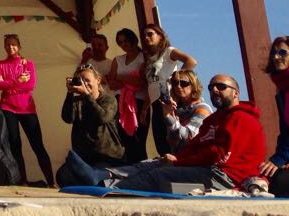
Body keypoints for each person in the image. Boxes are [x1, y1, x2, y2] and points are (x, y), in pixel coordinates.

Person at [66, 74, 268, 194]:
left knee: (159, 177)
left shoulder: (239, 118)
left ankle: (105, 187)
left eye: (221, 86)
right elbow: (191, 146)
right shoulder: (213, 120)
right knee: (149, 164)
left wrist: (178, 161)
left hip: (222, 177)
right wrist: (176, 157)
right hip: (201, 167)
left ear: (236, 92)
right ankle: (99, 177)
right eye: (212, 86)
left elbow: (216, 153)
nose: (215, 89)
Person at [0, 34, 54, 186]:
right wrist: (17, 81)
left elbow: (30, 85)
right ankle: (22, 181)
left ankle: (51, 182)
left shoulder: (28, 64)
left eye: (13, 44)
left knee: (37, 144)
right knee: (15, 145)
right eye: (7, 44)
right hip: (8, 108)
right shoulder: (0, 64)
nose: (10, 47)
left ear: (19, 46)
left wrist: (9, 86)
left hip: (26, 108)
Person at [56, 64, 123, 187]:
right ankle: (90, 180)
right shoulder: (78, 102)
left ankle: (101, 178)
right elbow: (67, 118)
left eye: (87, 80)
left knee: (93, 177)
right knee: (62, 176)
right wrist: (70, 93)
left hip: (106, 157)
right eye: (80, 81)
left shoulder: (109, 99)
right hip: (84, 158)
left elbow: (102, 117)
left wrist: (87, 96)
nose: (84, 84)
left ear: (98, 81)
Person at [141, 24, 197, 156]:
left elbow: (192, 61)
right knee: (159, 137)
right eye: (144, 36)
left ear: (160, 36)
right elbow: (152, 84)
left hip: (168, 98)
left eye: (150, 34)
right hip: (155, 101)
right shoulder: (148, 59)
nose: (146, 37)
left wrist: (175, 79)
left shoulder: (169, 51)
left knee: (169, 136)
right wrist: (144, 108)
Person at [108, 27, 148, 162]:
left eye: (126, 41)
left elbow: (141, 82)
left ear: (133, 40)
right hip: (120, 102)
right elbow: (112, 84)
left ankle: (143, 172)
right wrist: (129, 79)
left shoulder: (144, 57)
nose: (123, 45)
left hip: (139, 102)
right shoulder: (117, 59)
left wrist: (120, 77)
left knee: (139, 139)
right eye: (120, 42)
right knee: (124, 139)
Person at [260, 35, 289, 197]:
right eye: (274, 53)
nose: (276, 57)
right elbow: (286, 134)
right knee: (266, 175)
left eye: (283, 52)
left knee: (281, 182)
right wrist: (278, 160)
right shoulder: (282, 90)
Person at [160, 69, 211, 152]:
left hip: (194, 159)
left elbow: (189, 136)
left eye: (183, 83)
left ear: (193, 85)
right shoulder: (177, 109)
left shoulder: (202, 109)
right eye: (175, 83)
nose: (178, 86)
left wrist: (167, 116)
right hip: (177, 157)